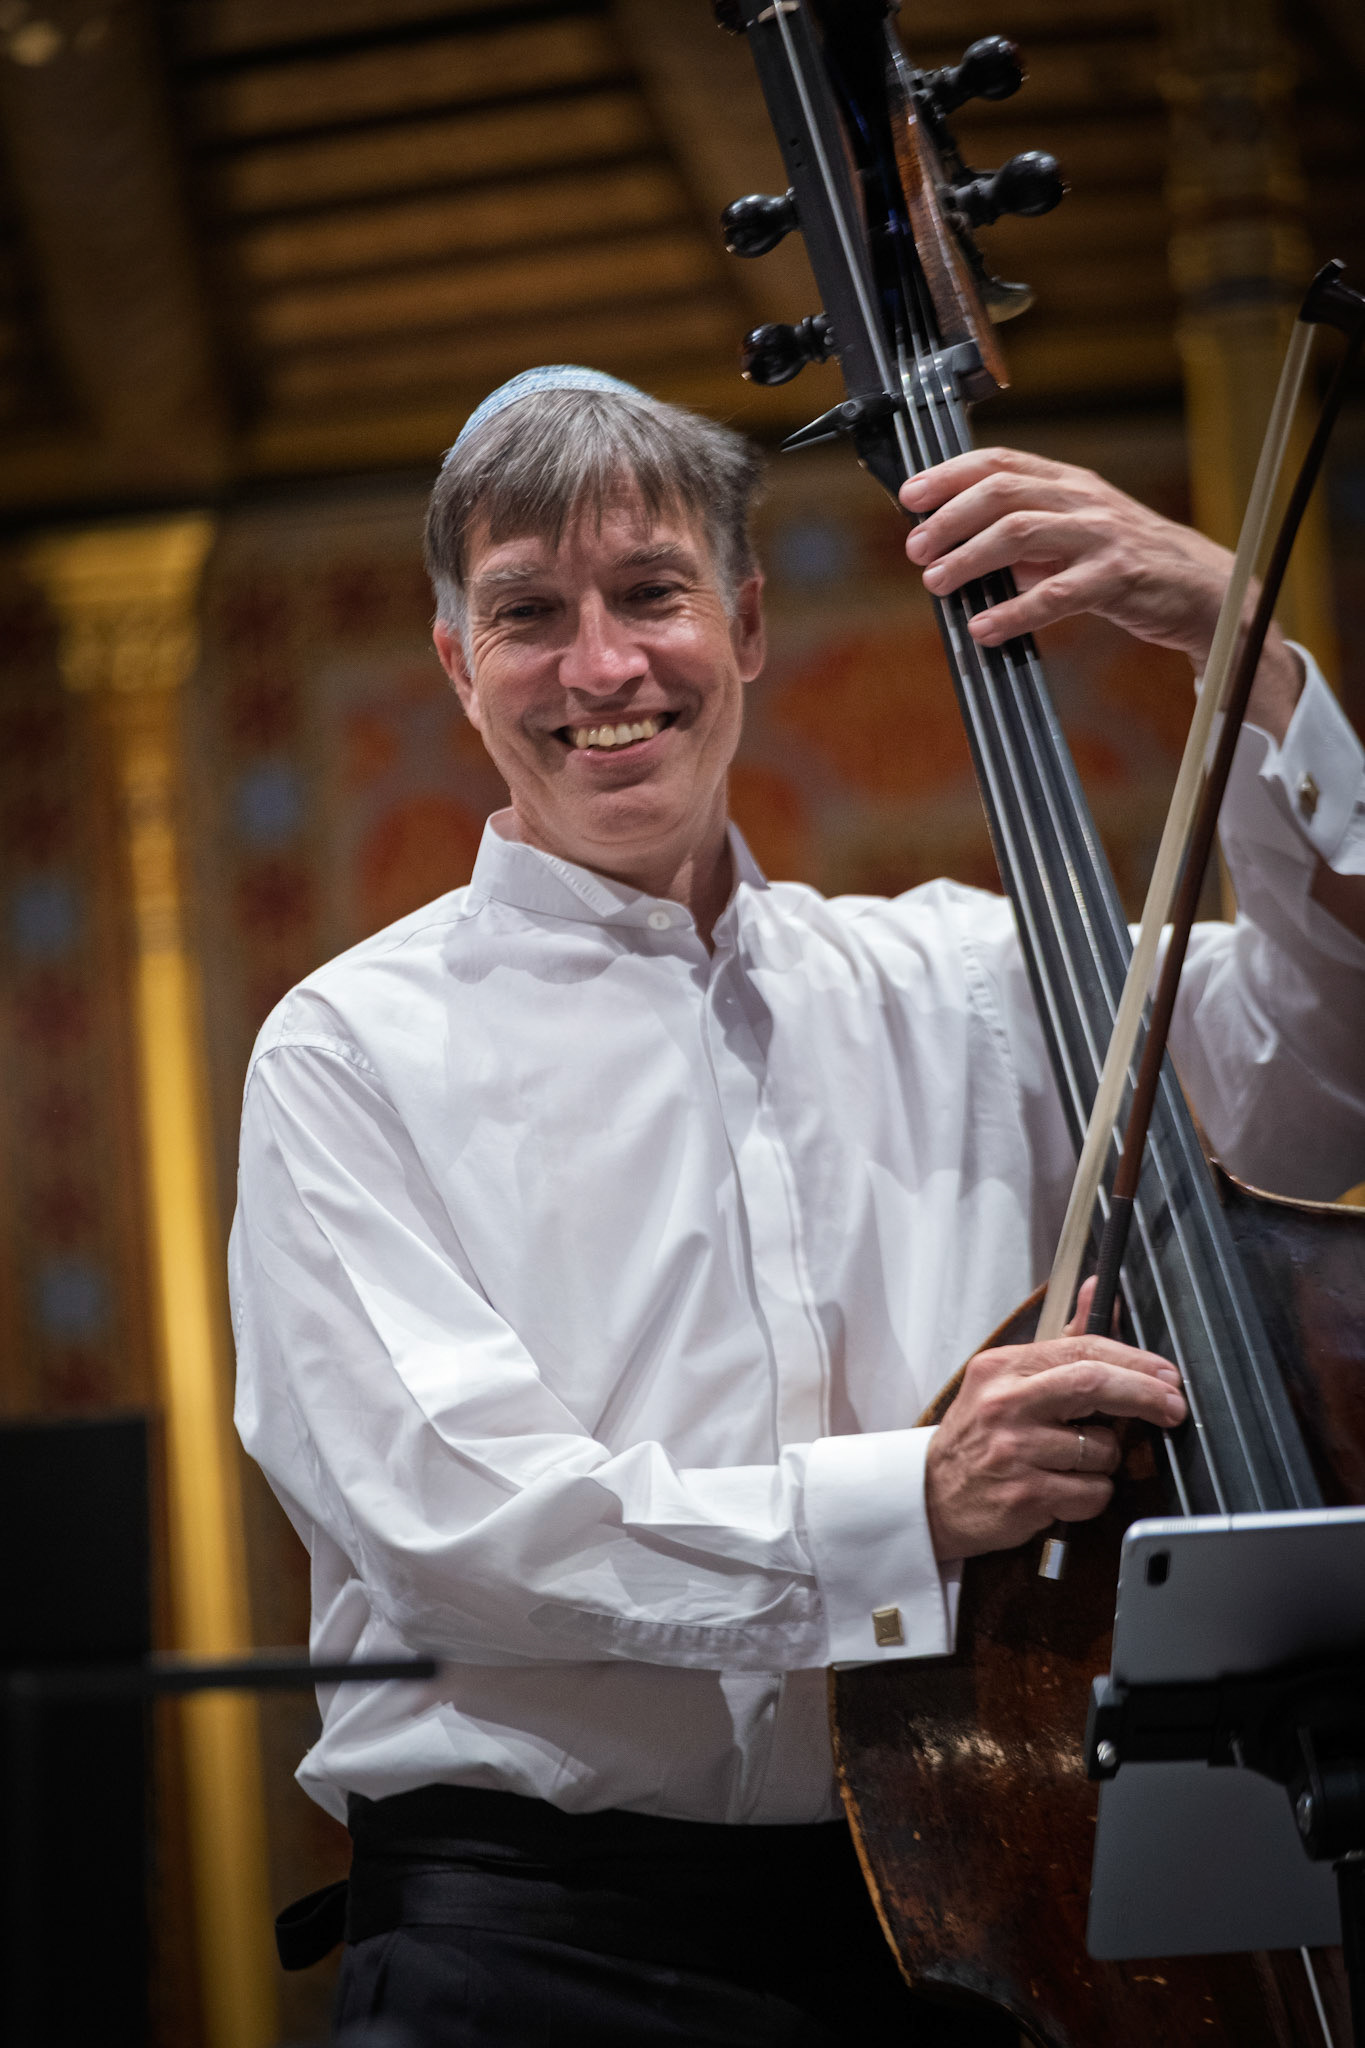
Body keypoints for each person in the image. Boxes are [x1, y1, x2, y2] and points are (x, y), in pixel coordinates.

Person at [232, 367, 1365, 2045]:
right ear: (459, 664)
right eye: (529, 613)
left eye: (651, 592)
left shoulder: (973, 975)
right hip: (539, 1948)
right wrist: (915, 1501)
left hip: (970, 1908)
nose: (600, 666)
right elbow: (451, 1525)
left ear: (746, 623)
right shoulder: (348, 1047)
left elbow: (1327, 1059)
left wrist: (1248, 653)